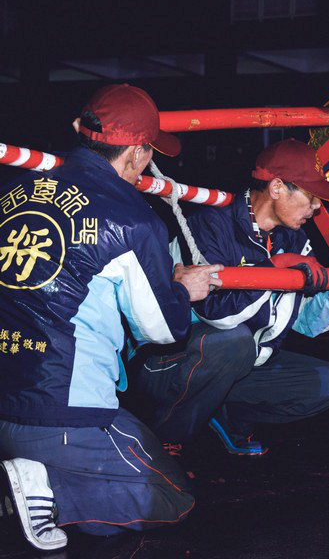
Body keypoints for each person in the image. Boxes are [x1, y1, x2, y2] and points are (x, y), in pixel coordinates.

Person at [0, 84, 222, 551]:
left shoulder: (13, 187)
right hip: (60, 406)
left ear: (82, 131)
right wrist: (182, 287)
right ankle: (44, 494)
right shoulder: (134, 219)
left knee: (146, 443)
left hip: (8, 386)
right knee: (171, 497)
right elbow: (163, 328)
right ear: (140, 152)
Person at [132, 138, 329, 456]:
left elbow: (308, 325)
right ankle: (164, 434)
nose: (317, 208)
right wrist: (273, 270)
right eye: (311, 197)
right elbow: (214, 314)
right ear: (276, 188)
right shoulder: (209, 224)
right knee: (233, 341)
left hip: (242, 364)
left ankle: (223, 413)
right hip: (165, 365)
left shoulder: (294, 239)